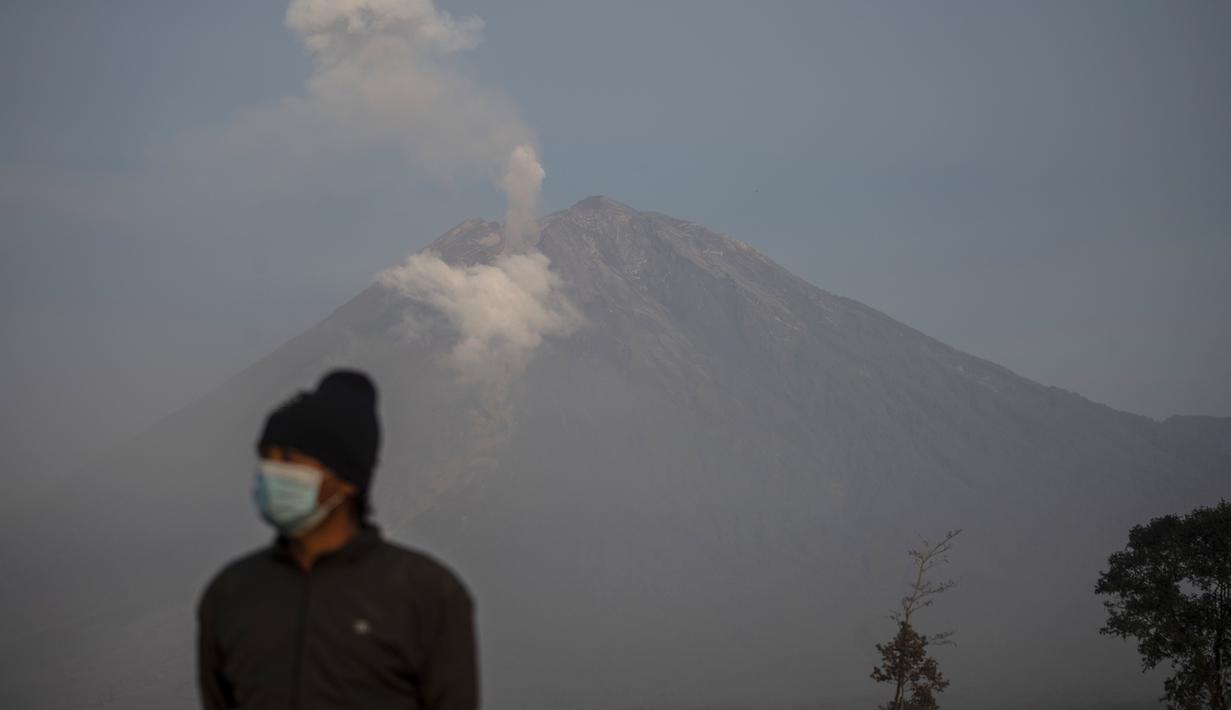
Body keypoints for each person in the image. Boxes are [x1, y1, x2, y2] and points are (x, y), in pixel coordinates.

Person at [196, 369, 479, 710]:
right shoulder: (230, 594)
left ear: (347, 479)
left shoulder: (426, 593)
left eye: (288, 458)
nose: (271, 472)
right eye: (265, 457)